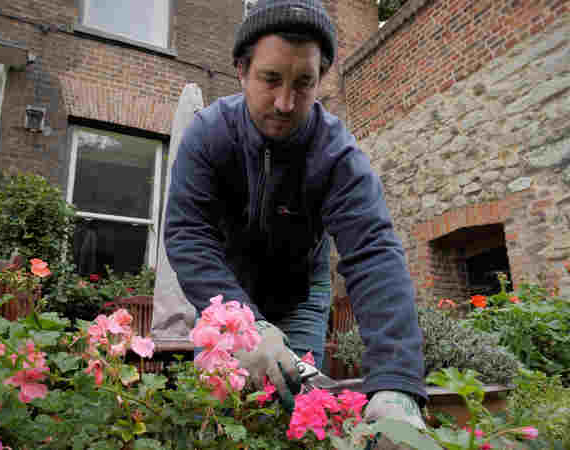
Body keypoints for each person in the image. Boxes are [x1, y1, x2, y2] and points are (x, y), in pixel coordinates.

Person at [164, 0, 427, 444]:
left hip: (301, 292)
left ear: (320, 79)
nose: (285, 103)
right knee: (223, 411)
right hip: (223, 289)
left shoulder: (337, 156)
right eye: (270, 79)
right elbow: (189, 236)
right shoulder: (208, 135)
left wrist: (397, 384)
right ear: (242, 71)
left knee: (296, 406)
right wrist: (244, 321)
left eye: (303, 84)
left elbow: (373, 254)